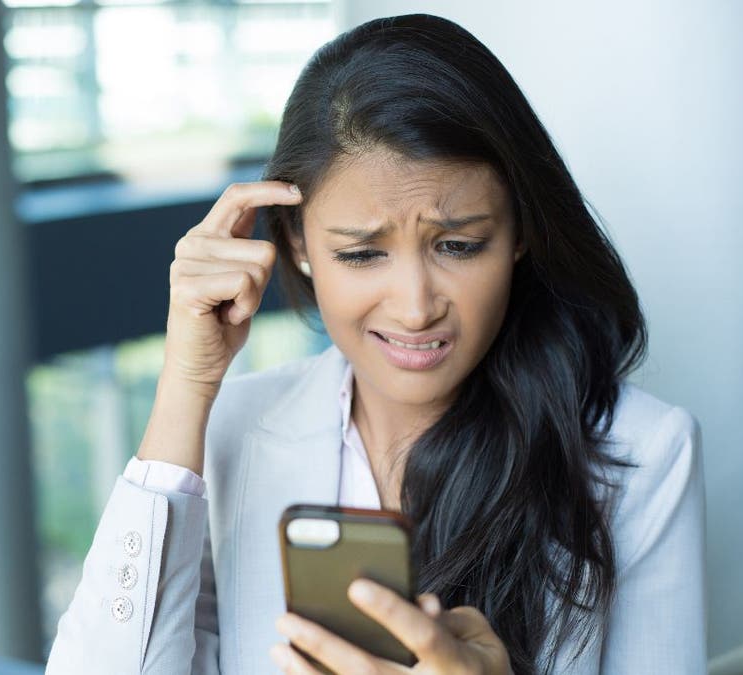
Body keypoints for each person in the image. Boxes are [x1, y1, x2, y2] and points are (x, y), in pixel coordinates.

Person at [45, 12, 705, 675]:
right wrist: (186, 385)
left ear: (520, 234)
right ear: (299, 244)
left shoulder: (640, 457)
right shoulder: (232, 430)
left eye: (460, 245)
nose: (416, 307)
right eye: (362, 254)